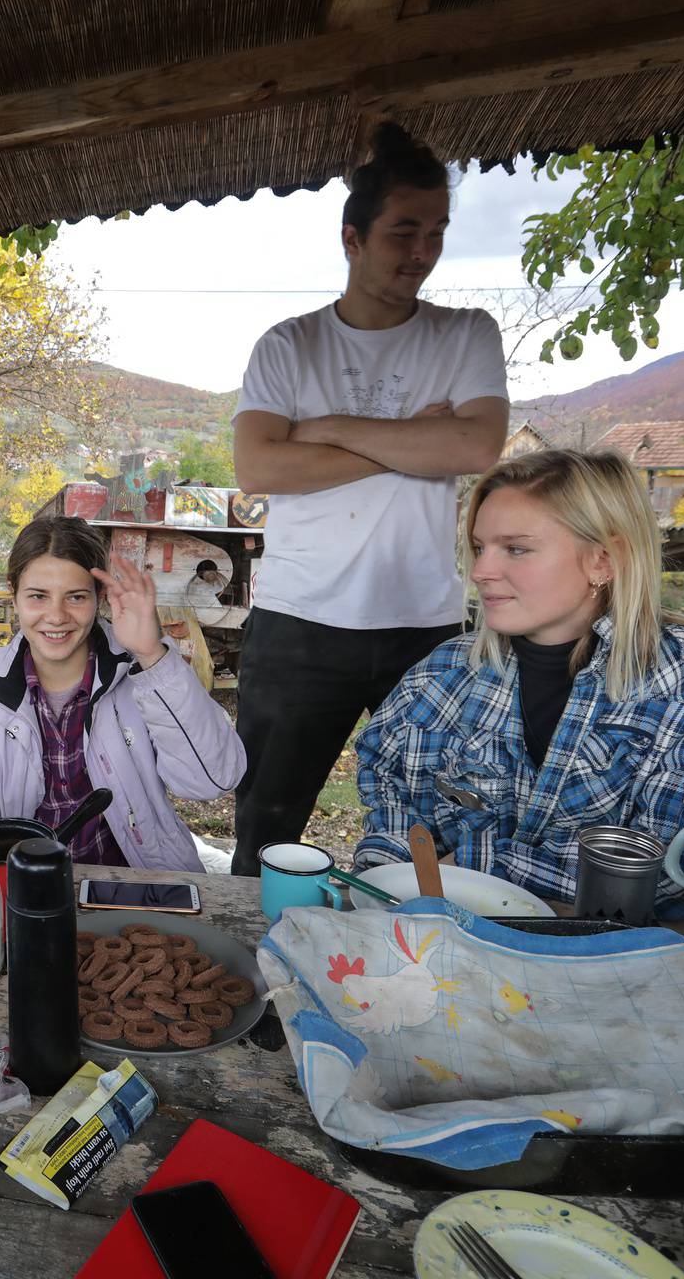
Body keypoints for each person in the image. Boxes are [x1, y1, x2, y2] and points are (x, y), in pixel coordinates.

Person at [229, 122, 509, 875]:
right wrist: (407, 442)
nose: (422, 252)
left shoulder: (467, 334)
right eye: (403, 231)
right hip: (300, 621)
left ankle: (418, 968)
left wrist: (325, 434)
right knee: (267, 820)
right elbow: (258, 465)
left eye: (438, 232)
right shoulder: (289, 346)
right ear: (352, 238)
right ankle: (258, 970)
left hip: (424, 620)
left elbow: (476, 449)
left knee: (433, 823)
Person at [355, 449, 684, 913]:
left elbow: (678, 865)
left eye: (516, 549)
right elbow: (389, 797)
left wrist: (476, 867)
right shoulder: (444, 674)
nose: (480, 572)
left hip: (616, 962)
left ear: (603, 562)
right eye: (478, 547)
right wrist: (382, 883)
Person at [0, 516, 244, 870]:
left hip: (140, 886)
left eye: (76, 597)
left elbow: (213, 779)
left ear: (99, 598)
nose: (56, 616)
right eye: (38, 596)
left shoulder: (145, 672)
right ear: (14, 595)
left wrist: (152, 656)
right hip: (24, 888)